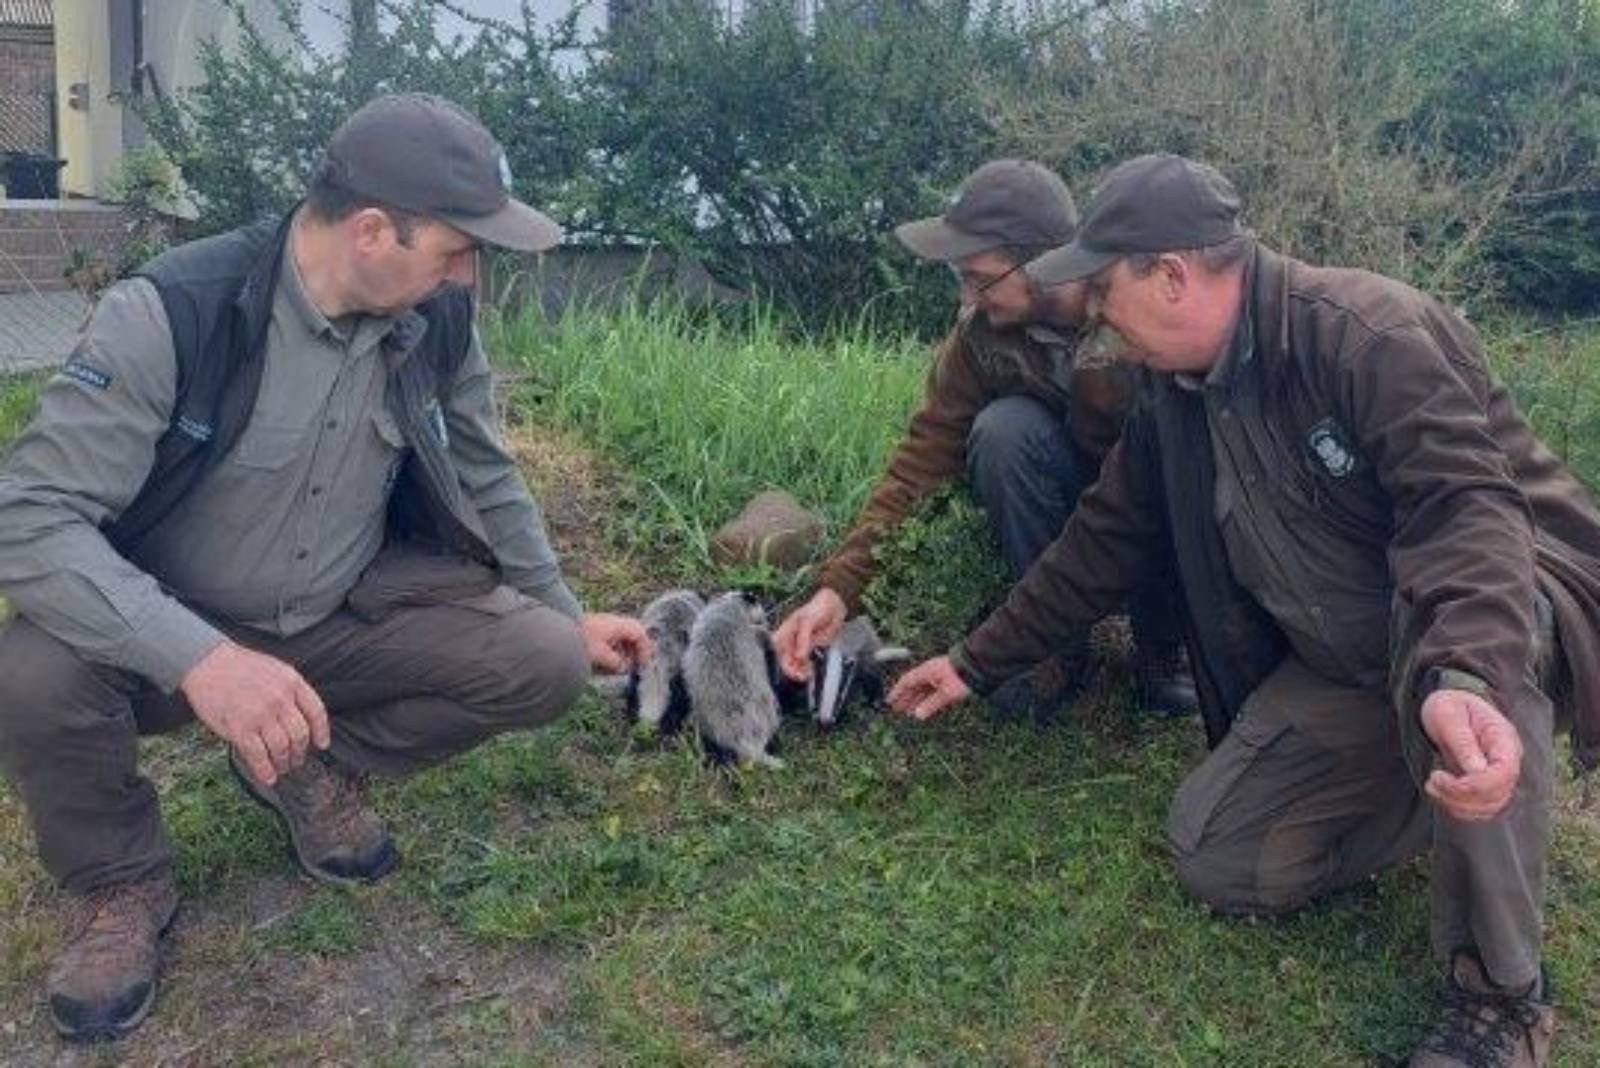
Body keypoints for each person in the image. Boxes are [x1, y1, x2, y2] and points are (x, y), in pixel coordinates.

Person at [886, 153, 1600, 1068]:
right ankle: (1447, 796)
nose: (1094, 312)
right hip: (1345, 662)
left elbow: (1469, 512)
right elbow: (1103, 538)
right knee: (1216, 857)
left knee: (1475, 663)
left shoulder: (1368, 331)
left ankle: (1502, 997)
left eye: (1105, 288)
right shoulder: (1169, 389)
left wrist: (1460, 667)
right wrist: (976, 661)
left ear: (1172, 275)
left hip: (1482, 612)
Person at [0, 93, 649, 1042]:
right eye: (458, 250)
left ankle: (302, 763)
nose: (468, 275)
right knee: (32, 670)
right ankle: (118, 883)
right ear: (375, 231)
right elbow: (29, 519)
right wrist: (202, 659)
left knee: (544, 659)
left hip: (335, 616)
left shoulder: (436, 323)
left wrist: (564, 608)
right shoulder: (175, 313)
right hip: (164, 634)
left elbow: (485, 469)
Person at [772, 159, 1195, 719]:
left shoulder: (1136, 309)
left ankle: (1166, 643)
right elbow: (920, 463)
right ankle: (1051, 648)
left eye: (978, 277)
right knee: (1005, 431)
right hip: (1078, 507)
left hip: (1154, 503)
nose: (966, 300)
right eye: (959, 278)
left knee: (1173, 463)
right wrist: (838, 591)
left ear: (1043, 265)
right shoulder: (979, 338)